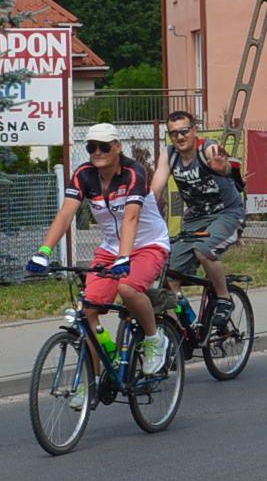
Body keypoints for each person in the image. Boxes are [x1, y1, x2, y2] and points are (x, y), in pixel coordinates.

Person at [30, 122, 174, 375]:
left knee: (127, 288)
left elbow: (131, 218)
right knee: (86, 311)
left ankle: (154, 339)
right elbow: (65, 215)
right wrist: (44, 251)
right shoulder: (84, 174)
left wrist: (125, 257)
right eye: (91, 147)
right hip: (110, 248)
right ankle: (91, 382)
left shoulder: (133, 173)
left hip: (147, 244)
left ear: (117, 147)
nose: (97, 152)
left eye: (104, 146)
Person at [156, 108, 246, 324]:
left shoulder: (207, 148)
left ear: (195, 130)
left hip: (226, 214)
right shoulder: (169, 155)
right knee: (167, 274)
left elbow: (222, 166)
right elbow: (155, 190)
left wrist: (221, 167)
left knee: (204, 248)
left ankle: (224, 298)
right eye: (174, 133)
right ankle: (182, 327)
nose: (179, 137)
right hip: (195, 219)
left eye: (184, 131)